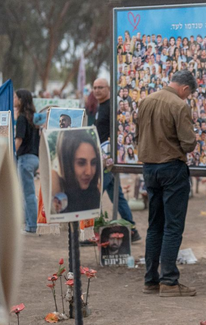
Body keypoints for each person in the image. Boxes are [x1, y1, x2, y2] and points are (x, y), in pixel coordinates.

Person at [137, 70, 197, 297]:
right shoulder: (179, 105)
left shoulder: (146, 101)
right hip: (172, 168)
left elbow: (139, 134)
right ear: (185, 89)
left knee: (155, 225)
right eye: (188, 95)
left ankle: (151, 280)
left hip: (149, 168)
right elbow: (188, 143)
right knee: (173, 226)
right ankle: (169, 281)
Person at [93, 78, 141, 241]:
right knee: (117, 196)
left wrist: (110, 155)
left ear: (108, 89)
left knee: (94, 194)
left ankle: (94, 232)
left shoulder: (111, 107)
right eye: (94, 87)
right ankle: (132, 230)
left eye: (100, 87)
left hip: (107, 160)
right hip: (103, 157)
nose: (97, 90)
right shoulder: (101, 107)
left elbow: (116, 132)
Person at [51, 128, 102, 214]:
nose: (89, 172)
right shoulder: (56, 184)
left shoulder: (94, 192)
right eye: (81, 163)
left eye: (93, 163)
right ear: (66, 163)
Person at [14, 89, 40, 234]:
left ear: (21, 100)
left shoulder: (22, 119)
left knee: (28, 193)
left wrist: (12, 153)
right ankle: (28, 223)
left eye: (15, 97)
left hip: (25, 158)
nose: (13, 99)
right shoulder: (33, 118)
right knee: (27, 193)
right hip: (34, 157)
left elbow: (19, 139)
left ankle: (31, 226)